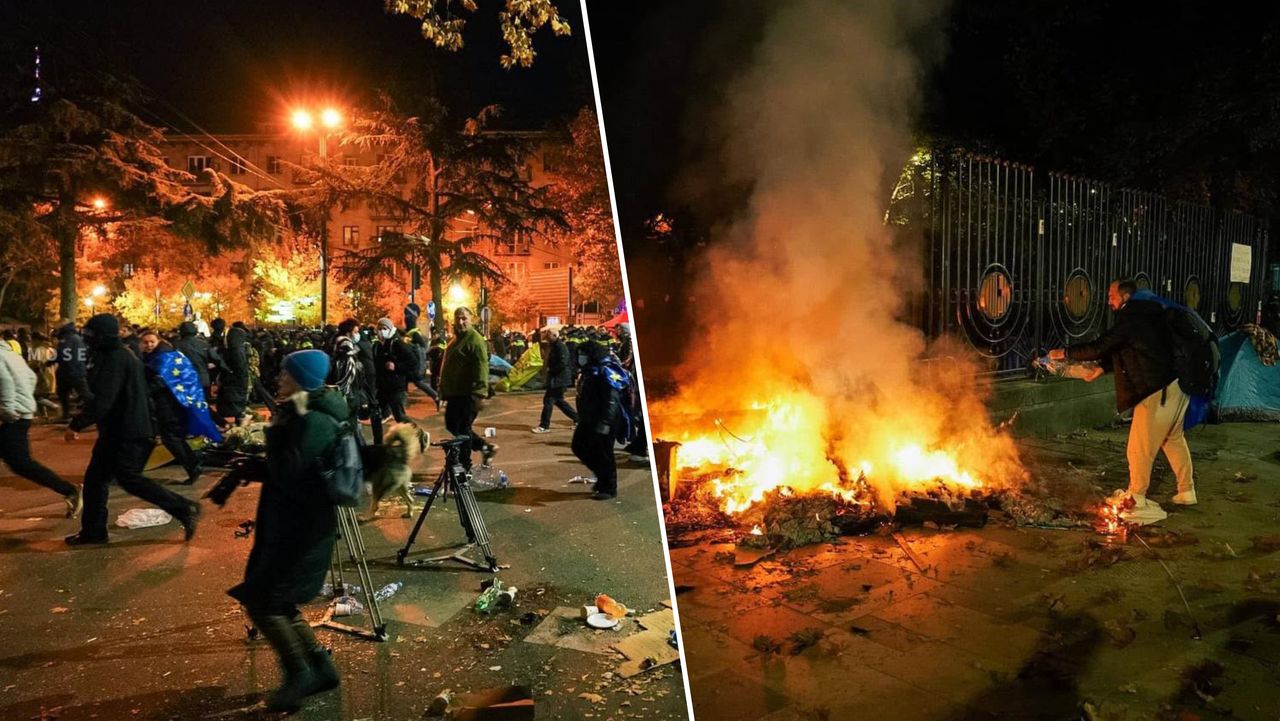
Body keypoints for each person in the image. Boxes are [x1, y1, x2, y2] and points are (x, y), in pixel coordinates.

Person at [228, 350, 342, 712]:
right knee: (276, 599)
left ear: (302, 379)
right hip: (291, 527)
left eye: (285, 373)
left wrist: (270, 435)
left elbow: (290, 472)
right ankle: (321, 668)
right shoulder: (303, 414)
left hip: (302, 531)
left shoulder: (314, 420)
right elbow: (289, 469)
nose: (278, 378)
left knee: (263, 600)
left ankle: (300, 674)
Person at [1049, 278, 1195, 514]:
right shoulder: (1150, 317)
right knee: (1173, 439)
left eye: (1112, 296)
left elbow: (1101, 346)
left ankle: (1136, 497)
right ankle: (1186, 491)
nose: (1109, 301)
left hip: (1157, 391)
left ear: (1125, 297)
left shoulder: (1132, 319)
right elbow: (1129, 349)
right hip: (1177, 387)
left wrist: (1065, 352)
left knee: (1139, 448)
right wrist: (1101, 368)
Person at [64, 314, 200, 546]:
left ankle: (184, 507)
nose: (87, 339)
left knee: (129, 479)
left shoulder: (115, 358)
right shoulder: (118, 355)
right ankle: (94, 532)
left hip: (128, 432)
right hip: (121, 430)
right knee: (97, 481)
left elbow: (105, 399)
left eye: (90, 334)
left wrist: (77, 423)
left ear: (101, 335)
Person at [0, 341, 82, 517]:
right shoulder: (11, 355)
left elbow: (4, 380)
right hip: (21, 411)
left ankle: (69, 490)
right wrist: (25, 398)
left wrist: (7, 407)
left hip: (13, 415)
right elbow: (31, 377)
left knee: (20, 462)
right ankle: (68, 490)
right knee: (19, 462)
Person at [139, 330, 206, 485]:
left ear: (158, 341)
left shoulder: (161, 357)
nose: (149, 345)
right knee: (172, 436)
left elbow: (162, 381)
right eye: (146, 342)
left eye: (152, 342)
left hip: (169, 402)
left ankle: (193, 465)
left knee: (171, 437)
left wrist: (146, 391)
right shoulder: (156, 355)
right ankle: (193, 463)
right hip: (168, 401)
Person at [438, 308, 496, 469]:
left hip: (468, 394)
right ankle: (485, 447)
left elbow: (481, 367)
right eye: (458, 318)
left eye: (464, 318)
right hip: (455, 394)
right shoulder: (456, 339)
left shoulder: (474, 340)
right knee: (452, 425)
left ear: (472, 319)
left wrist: (480, 393)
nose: (461, 322)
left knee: (463, 430)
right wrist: (442, 390)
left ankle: (465, 466)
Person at [572, 340, 628, 500]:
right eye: (579, 354)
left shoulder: (605, 371)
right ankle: (601, 477)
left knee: (604, 454)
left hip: (604, 419)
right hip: (588, 418)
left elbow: (612, 400)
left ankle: (609, 488)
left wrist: (605, 422)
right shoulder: (589, 371)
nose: (581, 357)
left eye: (584, 354)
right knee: (578, 446)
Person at [532, 326, 578, 433]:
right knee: (559, 401)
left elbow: (563, 363)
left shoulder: (560, 347)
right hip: (556, 378)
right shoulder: (553, 345)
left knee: (549, 400)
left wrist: (550, 370)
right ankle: (578, 419)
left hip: (559, 379)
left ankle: (544, 425)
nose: (546, 337)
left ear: (554, 335)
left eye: (548, 335)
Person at [373, 318, 417, 425]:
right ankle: (378, 441)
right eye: (379, 329)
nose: (381, 331)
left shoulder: (397, 343)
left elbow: (413, 362)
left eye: (384, 328)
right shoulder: (377, 345)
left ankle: (419, 435)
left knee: (400, 416)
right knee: (376, 414)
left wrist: (396, 366)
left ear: (390, 329)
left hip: (396, 386)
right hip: (382, 386)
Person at [53, 322, 91, 422]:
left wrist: (50, 361)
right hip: (78, 369)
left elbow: (62, 352)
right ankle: (92, 413)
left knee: (63, 393)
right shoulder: (77, 338)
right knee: (84, 393)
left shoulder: (66, 338)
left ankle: (66, 415)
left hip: (68, 371)